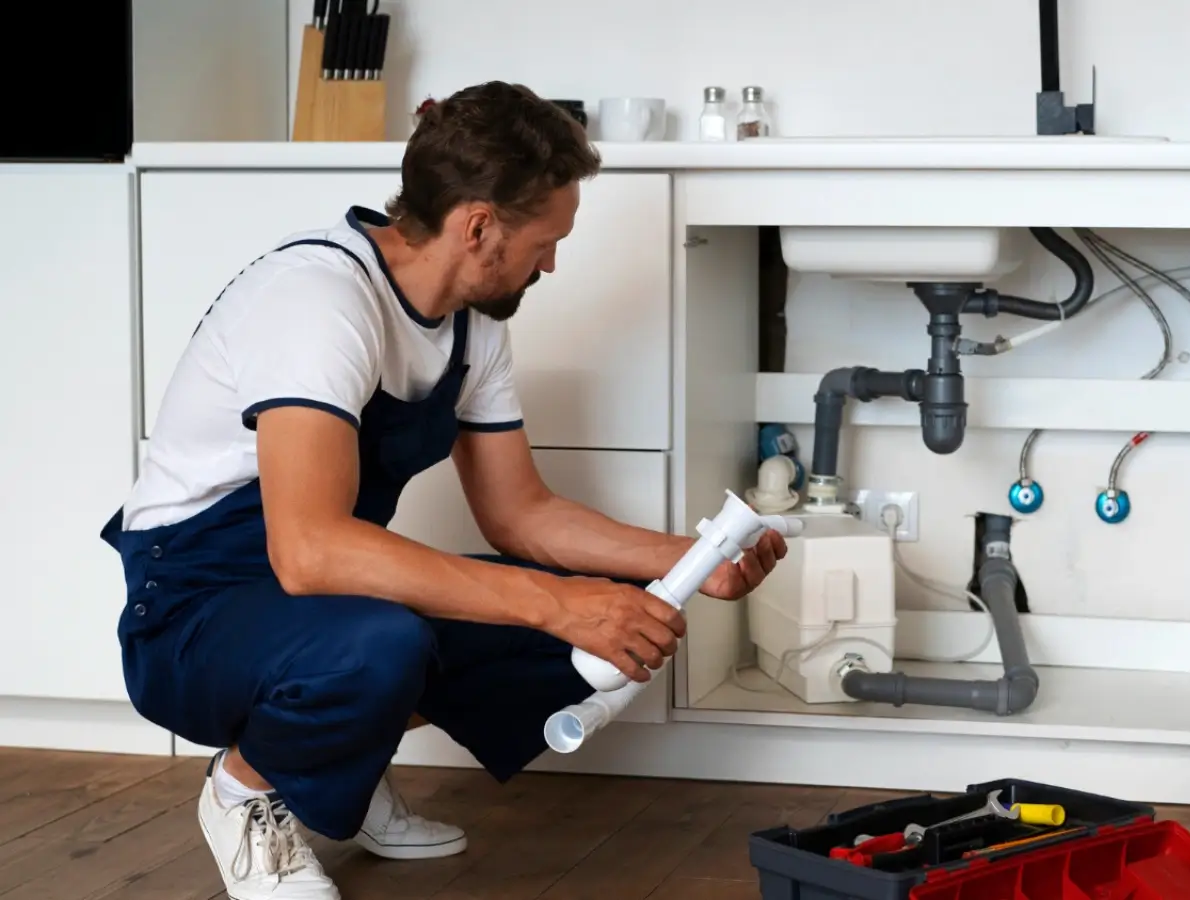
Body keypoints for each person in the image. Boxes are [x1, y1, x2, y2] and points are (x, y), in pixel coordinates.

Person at [98, 81, 786, 900]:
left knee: (601, 615)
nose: (553, 263)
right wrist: (552, 604)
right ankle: (248, 790)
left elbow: (520, 515)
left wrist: (686, 560)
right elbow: (309, 549)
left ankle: (336, 765)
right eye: (546, 240)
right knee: (390, 645)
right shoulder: (319, 302)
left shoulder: (474, 325)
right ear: (478, 226)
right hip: (193, 610)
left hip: (325, 596)